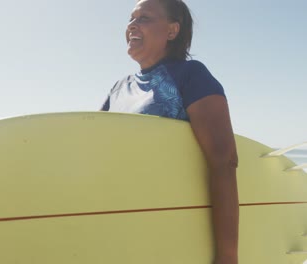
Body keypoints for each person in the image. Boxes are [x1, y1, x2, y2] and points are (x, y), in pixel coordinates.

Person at [100, 0, 239, 263]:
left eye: (144, 18)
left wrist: (227, 256)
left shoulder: (190, 75)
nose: (132, 25)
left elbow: (224, 161)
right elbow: (95, 153)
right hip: (125, 228)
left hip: (172, 228)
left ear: (172, 31)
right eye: (131, 18)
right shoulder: (118, 89)